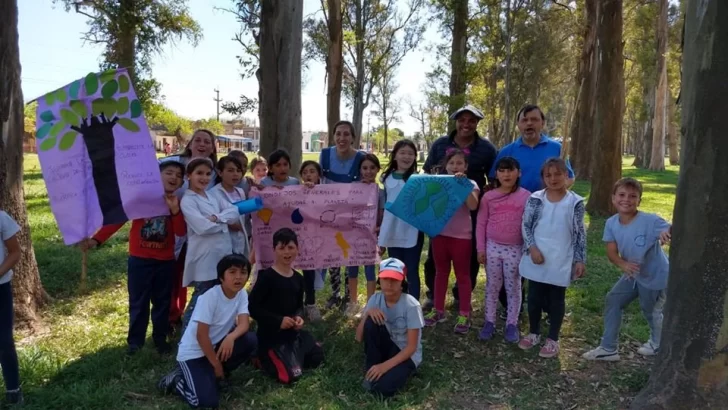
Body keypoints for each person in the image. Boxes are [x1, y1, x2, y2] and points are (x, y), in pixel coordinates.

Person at [83, 160, 187, 355]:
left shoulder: (177, 203)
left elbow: (181, 231)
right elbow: (117, 220)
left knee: (162, 302)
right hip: (140, 260)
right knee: (138, 303)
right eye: (169, 173)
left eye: (179, 176)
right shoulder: (140, 200)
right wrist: (96, 240)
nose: (174, 177)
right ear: (157, 176)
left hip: (165, 262)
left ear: (181, 183)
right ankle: (135, 343)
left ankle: (160, 339)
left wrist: (174, 211)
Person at [489, 105, 575, 320]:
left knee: (542, 256)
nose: (529, 124)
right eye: (524, 120)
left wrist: (555, 195)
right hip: (513, 215)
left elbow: (570, 178)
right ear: (518, 124)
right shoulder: (507, 151)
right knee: (514, 259)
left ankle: (543, 305)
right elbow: (493, 181)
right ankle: (511, 306)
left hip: (546, 215)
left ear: (542, 123)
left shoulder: (557, 149)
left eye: (534, 119)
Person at [582, 178, 672, 361]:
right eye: (622, 195)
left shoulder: (650, 220)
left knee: (651, 310)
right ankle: (608, 348)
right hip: (632, 274)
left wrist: (667, 232)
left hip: (656, 276)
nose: (627, 200)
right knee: (613, 300)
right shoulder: (611, 223)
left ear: (639, 200)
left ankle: (657, 344)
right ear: (613, 198)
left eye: (633, 196)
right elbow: (611, 253)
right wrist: (623, 264)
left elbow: (670, 229)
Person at [158, 254, 258, 408]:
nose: (238, 277)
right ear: (221, 277)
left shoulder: (242, 294)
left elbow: (244, 325)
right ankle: (176, 381)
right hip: (193, 353)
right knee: (207, 404)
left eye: (243, 272)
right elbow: (201, 335)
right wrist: (216, 364)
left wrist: (231, 337)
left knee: (250, 340)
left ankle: (212, 374)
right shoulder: (209, 297)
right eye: (232, 272)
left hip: (215, 347)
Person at [422, 105, 497, 309]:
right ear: (455, 121)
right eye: (462, 120)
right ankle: (433, 295)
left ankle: (460, 296)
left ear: (477, 123)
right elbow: (428, 171)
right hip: (440, 209)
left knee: (469, 256)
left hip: (470, 210)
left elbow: (493, 178)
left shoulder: (487, 149)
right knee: (435, 257)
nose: (466, 124)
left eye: (471, 120)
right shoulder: (440, 144)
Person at [518, 158, 586, 358]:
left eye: (558, 174)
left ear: (567, 176)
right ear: (543, 178)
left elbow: (580, 233)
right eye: (548, 175)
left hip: (562, 257)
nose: (553, 178)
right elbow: (526, 225)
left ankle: (553, 338)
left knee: (557, 298)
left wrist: (580, 259)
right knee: (534, 297)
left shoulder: (575, 202)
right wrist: (532, 248)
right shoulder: (536, 198)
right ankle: (533, 332)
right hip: (538, 255)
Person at [249, 228, 324, 384]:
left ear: (297, 249)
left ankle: (295, 354)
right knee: (289, 376)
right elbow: (253, 307)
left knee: (317, 357)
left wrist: (298, 318)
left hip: (292, 335)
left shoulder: (298, 278)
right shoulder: (267, 277)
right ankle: (261, 358)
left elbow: (298, 307)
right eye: (281, 248)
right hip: (270, 336)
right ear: (274, 250)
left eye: (291, 247)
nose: (286, 252)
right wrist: (278, 321)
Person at [180, 159, 240, 334]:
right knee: (201, 297)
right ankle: (186, 336)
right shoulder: (188, 201)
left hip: (222, 254)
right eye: (199, 173)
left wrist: (216, 218)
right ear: (188, 175)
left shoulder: (212, 195)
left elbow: (234, 211)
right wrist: (222, 219)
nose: (204, 178)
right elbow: (202, 227)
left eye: (207, 174)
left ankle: (217, 332)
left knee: (220, 295)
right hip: (204, 258)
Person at [423, 149, 480, 334]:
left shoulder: (470, 183)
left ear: (466, 167)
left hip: (462, 237)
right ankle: (438, 310)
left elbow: (473, 205)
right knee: (441, 273)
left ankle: (464, 313)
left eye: (460, 163)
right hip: (440, 235)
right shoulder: (438, 183)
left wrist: (463, 184)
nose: (455, 167)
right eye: (452, 163)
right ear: (445, 166)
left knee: (463, 276)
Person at [476, 157, 530, 343]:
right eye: (502, 170)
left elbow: (530, 225)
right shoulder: (489, 196)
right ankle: (489, 322)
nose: (506, 174)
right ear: (496, 174)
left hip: (516, 248)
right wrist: (480, 248)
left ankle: (511, 324)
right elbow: (481, 222)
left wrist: (529, 248)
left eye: (510, 170)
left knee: (513, 286)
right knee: (492, 285)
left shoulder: (526, 196)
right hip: (492, 248)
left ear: (519, 172)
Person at [356, 257, 423, 397]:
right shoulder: (375, 299)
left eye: (394, 279)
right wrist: (367, 313)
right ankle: (372, 369)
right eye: (385, 279)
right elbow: (358, 337)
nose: (389, 284)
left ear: (402, 282)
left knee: (383, 390)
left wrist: (384, 366)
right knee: (371, 321)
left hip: (406, 354)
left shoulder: (412, 305)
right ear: (380, 280)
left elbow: (411, 347)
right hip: (387, 346)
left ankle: (390, 370)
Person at [319, 121, 367, 310]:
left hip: (351, 214)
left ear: (353, 138)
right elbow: (317, 180)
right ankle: (335, 293)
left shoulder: (361, 158)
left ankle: (349, 294)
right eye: (338, 134)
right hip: (330, 214)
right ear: (333, 136)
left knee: (349, 253)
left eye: (346, 134)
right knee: (333, 254)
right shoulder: (324, 155)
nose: (342, 138)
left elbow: (367, 182)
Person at [379, 140, 425, 302]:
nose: (406, 156)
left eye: (410, 153)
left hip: (412, 230)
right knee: (396, 268)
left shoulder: (418, 180)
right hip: (392, 230)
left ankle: (413, 305)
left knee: (411, 269)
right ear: (395, 155)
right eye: (403, 152)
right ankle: (397, 302)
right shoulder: (386, 178)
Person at [345, 153, 385, 317]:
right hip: (353, 237)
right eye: (365, 168)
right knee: (352, 270)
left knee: (370, 271)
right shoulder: (353, 187)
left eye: (372, 168)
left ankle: (370, 304)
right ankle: (353, 303)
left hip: (370, 238)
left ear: (377, 170)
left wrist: (380, 231)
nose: (368, 171)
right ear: (360, 169)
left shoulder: (380, 192)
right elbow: (345, 209)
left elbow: (381, 215)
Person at [0, 210, 23, 405]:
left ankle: (13, 390)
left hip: (0, 289)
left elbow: (15, 252)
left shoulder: (1, 218)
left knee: (4, 341)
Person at [210, 156, 250, 257]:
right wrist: (229, 225)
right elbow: (211, 219)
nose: (235, 174)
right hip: (222, 242)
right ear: (220, 172)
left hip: (240, 239)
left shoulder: (240, 192)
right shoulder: (213, 194)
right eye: (230, 170)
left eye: (238, 170)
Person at [299, 160, 324, 321]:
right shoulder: (294, 190)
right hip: (296, 238)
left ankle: (310, 304)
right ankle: (295, 305)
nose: (309, 175)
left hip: (315, 240)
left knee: (309, 272)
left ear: (318, 175)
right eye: (305, 172)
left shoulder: (327, 193)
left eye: (312, 171)